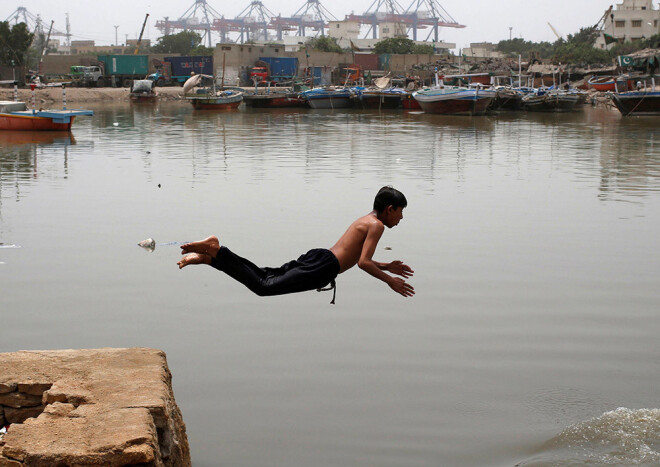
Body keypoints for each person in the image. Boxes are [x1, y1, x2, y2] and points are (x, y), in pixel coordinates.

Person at [177, 186, 415, 302]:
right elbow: (362, 263)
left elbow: (356, 256)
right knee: (264, 286)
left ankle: (212, 257)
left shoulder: (367, 219)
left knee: (264, 275)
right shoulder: (377, 225)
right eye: (400, 212)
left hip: (320, 257)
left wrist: (386, 266)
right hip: (323, 267)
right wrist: (390, 281)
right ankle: (217, 250)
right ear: (389, 208)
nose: (401, 218)